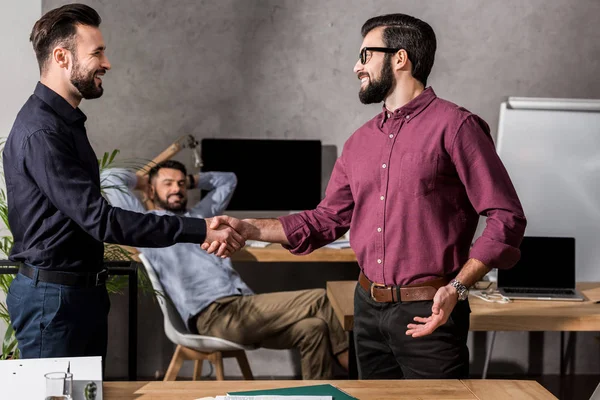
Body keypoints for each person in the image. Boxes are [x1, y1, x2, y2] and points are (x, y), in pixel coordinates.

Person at [206, 13, 527, 379]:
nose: (355, 67)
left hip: (430, 310)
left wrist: (457, 287)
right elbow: (326, 219)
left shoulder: (456, 127)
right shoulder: (359, 142)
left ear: (400, 58)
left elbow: (507, 217)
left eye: (365, 56)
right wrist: (248, 227)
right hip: (367, 310)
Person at [3, 4, 243, 361]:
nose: (107, 63)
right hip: (52, 303)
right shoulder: (43, 132)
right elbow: (102, 220)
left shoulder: (63, 123)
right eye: (97, 52)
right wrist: (201, 229)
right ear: (61, 57)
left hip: (76, 295)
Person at [101, 161, 349, 379]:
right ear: (153, 189)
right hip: (215, 315)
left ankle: (318, 394)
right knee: (322, 299)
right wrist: (143, 180)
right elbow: (109, 178)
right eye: (168, 183)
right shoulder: (149, 228)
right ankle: (357, 374)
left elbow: (228, 180)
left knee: (313, 328)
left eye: (180, 184)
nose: (176, 189)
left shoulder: (199, 218)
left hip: (242, 308)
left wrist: (191, 179)